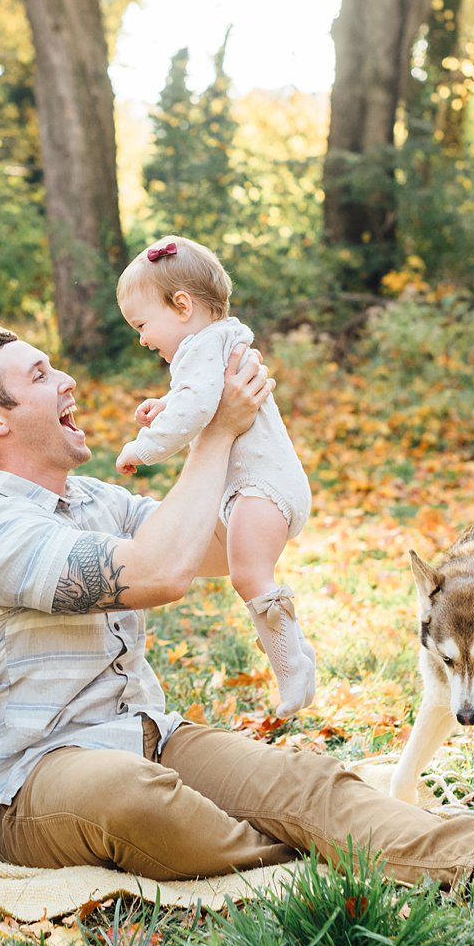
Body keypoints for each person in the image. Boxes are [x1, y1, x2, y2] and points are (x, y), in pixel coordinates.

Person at [0, 328, 474, 892]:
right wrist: (212, 436)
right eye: (40, 376)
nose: (66, 379)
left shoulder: (101, 501)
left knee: (302, 779)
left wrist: (252, 435)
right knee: (133, 796)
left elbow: (227, 548)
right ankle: (337, 840)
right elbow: (161, 572)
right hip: (39, 781)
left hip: (152, 735)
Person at [114, 235, 315, 717]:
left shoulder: (203, 347)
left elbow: (200, 407)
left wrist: (143, 447)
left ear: (182, 305)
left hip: (260, 489)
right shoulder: (217, 342)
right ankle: (288, 649)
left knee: (249, 574)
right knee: (246, 572)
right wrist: (165, 405)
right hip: (259, 487)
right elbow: (199, 401)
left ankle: (294, 670)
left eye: (143, 325)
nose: (142, 339)